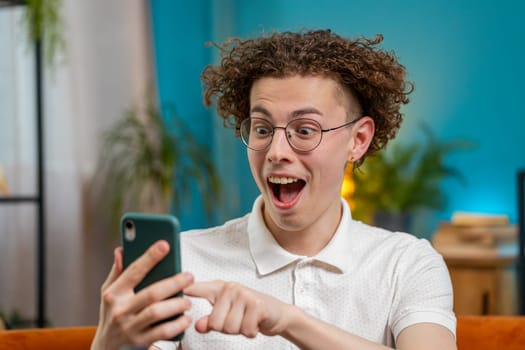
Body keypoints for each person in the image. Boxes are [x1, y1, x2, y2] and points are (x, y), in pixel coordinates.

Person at [91, 29, 456, 350]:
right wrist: (110, 345)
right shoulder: (183, 263)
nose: (277, 153)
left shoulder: (407, 264)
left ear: (357, 139)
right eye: (263, 129)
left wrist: (287, 320)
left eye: (305, 130)